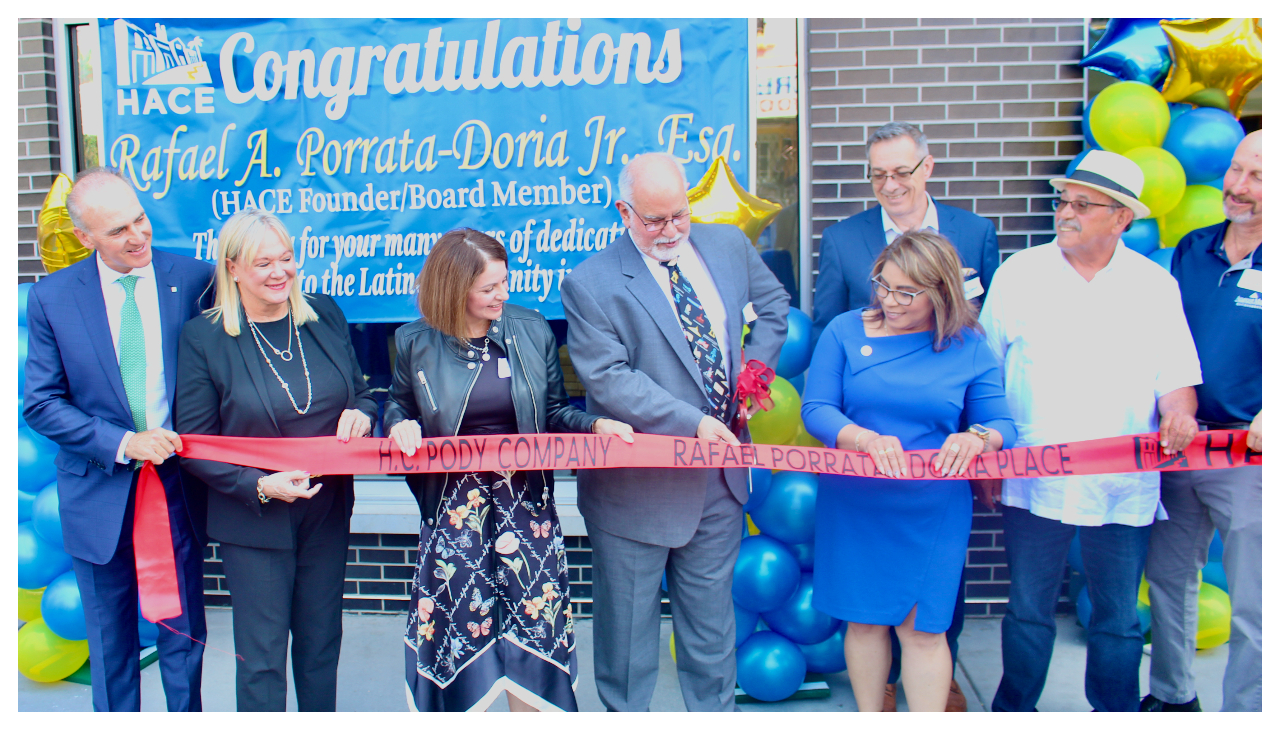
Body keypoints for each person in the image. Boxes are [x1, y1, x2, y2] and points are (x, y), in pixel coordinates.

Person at [561, 152, 789, 711]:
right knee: (628, 649)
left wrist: (754, 371)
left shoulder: (728, 246)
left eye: (680, 216)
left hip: (718, 486)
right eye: (655, 220)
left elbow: (775, 304)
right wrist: (696, 423)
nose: (671, 231)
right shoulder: (589, 283)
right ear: (624, 212)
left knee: (712, 639)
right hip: (637, 491)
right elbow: (610, 379)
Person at [979, 150, 1203, 712]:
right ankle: (1012, 712)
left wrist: (1180, 413)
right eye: (1063, 201)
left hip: (1122, 484)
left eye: (1083, 204)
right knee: (1028, 608)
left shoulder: (1154, 285)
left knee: (1119, 616)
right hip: (1032, 478)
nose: (1066, 213)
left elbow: (1177, 380)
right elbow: (984, 373)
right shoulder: (1019, 274)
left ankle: (1115, 712)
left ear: (1122, 217)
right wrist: (986, 459)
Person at [383, 229, 633, 712]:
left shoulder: (532, 329)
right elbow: (397, 405)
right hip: (455, 514)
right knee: (458, 633)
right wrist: (400, 425)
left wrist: (596, 424)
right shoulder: (414, 341)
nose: (503, 295)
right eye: (489, 288)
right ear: (455, 289)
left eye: (505, 281)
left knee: (535, 637)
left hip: (527, 511)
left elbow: (555, 412)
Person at [811, 121, 1000, 711]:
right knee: (864, 623)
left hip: (933, 507)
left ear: (941, 295)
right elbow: (818, 407)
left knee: (924, 628)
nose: (887, 302)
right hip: (858, 497)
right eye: (881, 287)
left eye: (904, 294)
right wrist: (862, 438)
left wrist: (978, 438)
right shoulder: (845, 330)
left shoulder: (969, 346)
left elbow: (1001, 422)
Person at [22, 168, 212, 711]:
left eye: (140, 220)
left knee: (183, 635)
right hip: (96, 491)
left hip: (177, 487)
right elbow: (41, 402)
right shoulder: (53, 298)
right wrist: (125, 442)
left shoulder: (193, 278)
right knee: (110, 643)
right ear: (85, 238)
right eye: (118, 231)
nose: (137, 238)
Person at [174, 208, 377, 711]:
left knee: (320, 647)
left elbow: (365, 392)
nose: (279, 272)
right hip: (254, 516)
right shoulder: (204, 338)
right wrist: (260, 485)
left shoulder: (323, 314)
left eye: (286, 258)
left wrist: (362, 412)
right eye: (263, 262)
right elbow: (193, 443)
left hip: (326, 510)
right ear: (233, 269)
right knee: (262, 658)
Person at [1143, 131, 1263, 713]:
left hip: (1252, 458)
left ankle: (1250, 714)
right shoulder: (1194, 248)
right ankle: (1171, 698)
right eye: (1236, 170)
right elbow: (1165, 338)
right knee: (1168, 582)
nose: (1237, 187)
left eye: (1257, 177)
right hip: (1181, 444)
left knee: (1256, 605)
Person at [812, 122, 1000, 341]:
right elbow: (827, 333)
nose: (890, 186)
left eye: (901, 173)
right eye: (879, 175)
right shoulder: (841, 240)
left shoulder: (976, 232)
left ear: (927, 167)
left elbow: (991, 322)